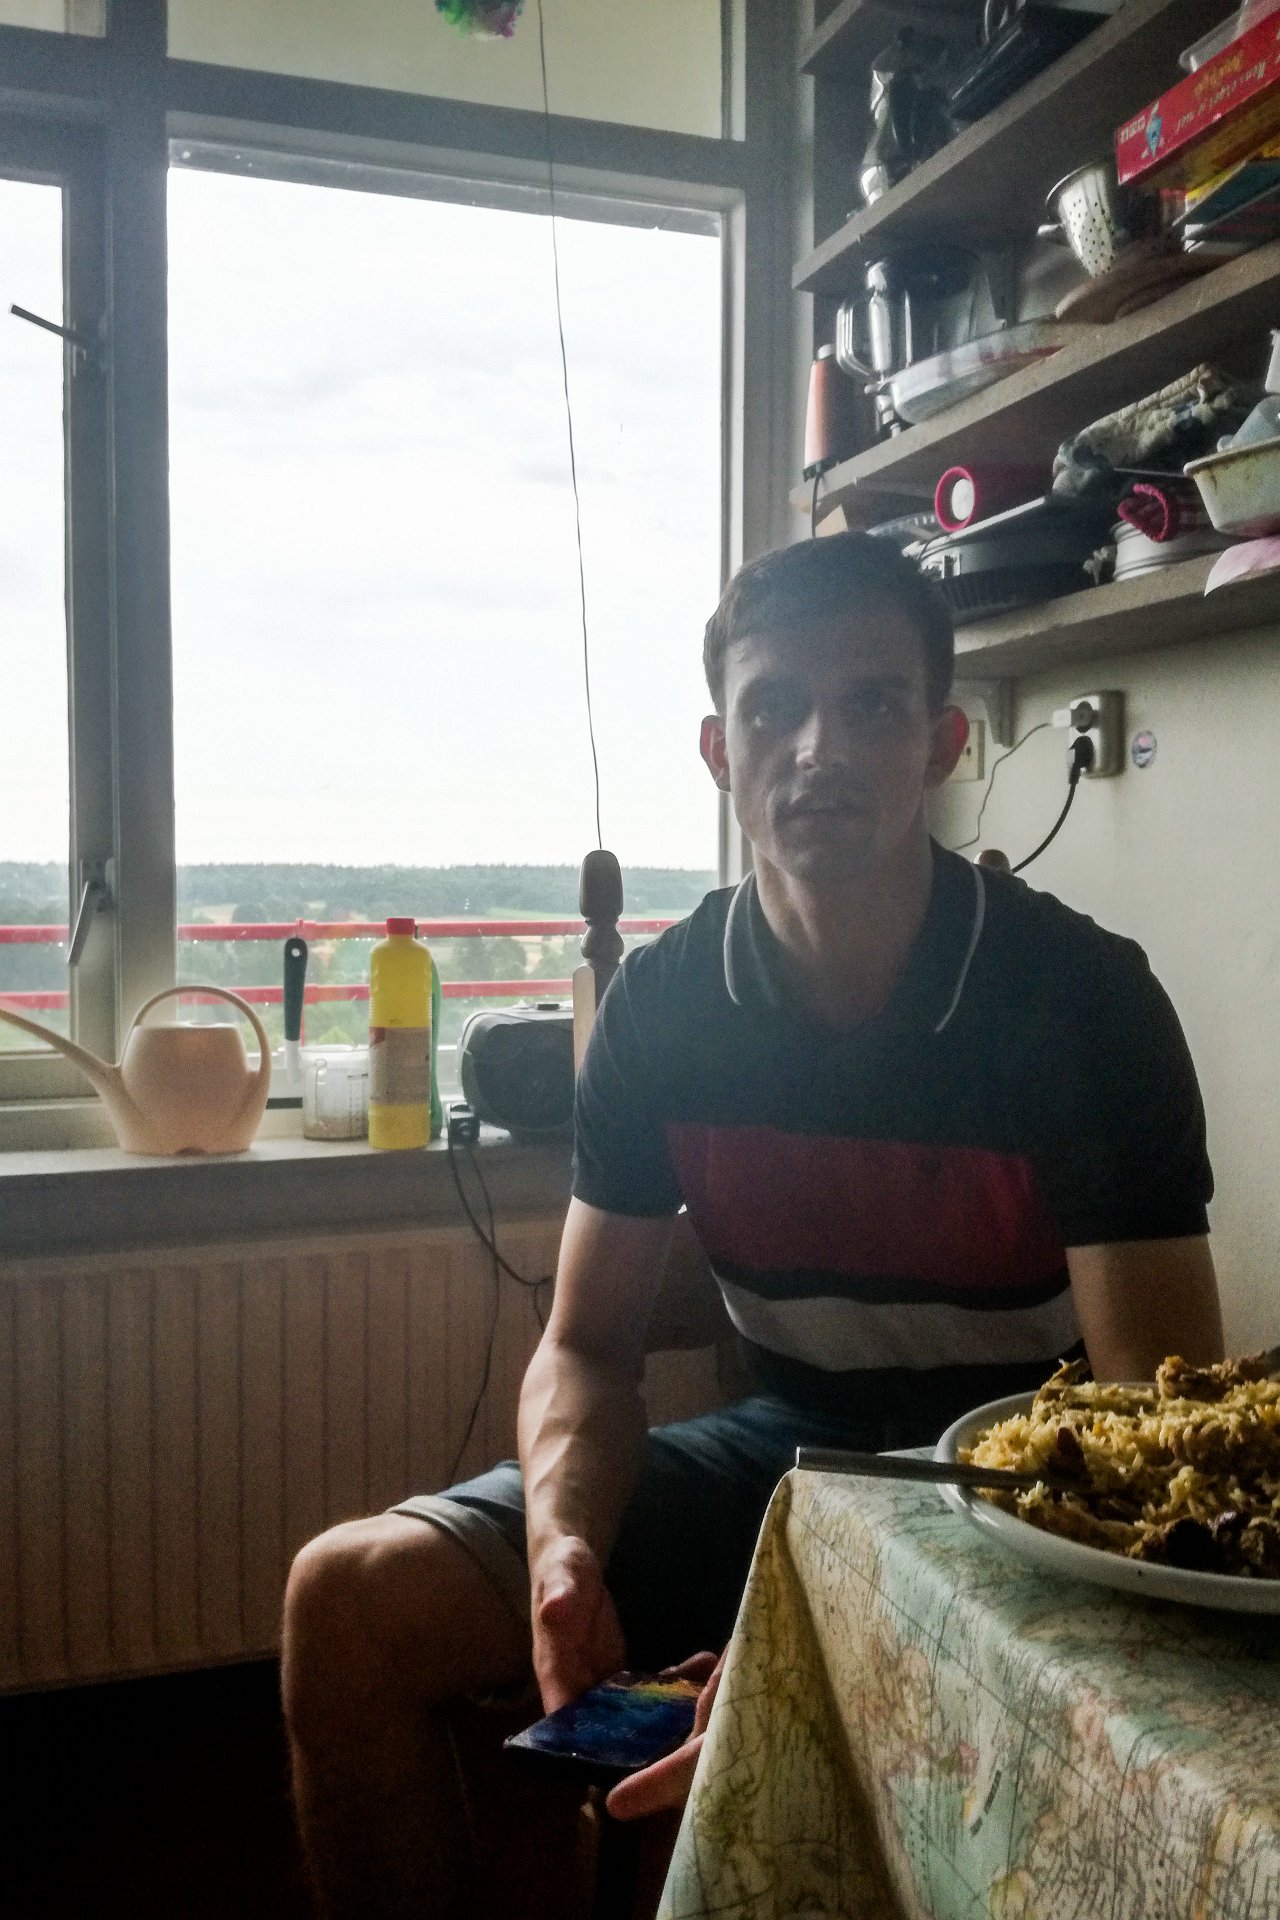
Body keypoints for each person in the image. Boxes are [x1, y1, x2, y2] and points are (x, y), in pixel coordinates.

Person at [282, 533, 1223, 1918]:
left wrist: (839, 1631)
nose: (818, 749)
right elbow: (585, 1352)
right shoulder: (665, 1008)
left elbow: (1156, 1434)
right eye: (776, 708)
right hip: (785, 1462)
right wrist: (562, 1549)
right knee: (345, 1603)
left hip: (1019, 1504)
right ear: (722, 752)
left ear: (943, 744)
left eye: (872, 705)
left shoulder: (1085, 1006)